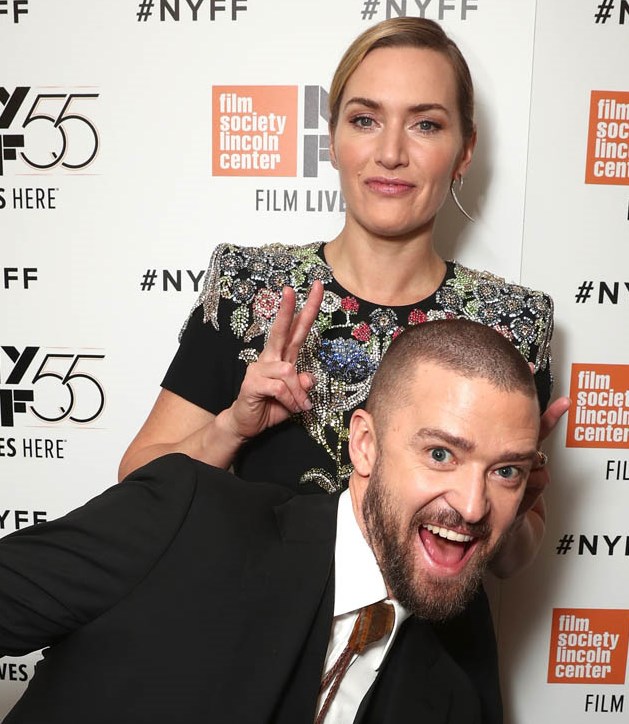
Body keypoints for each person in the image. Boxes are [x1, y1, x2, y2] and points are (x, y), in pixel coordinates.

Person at [117, 15, 568, 719]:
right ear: (331, 138)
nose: (390, 152)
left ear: (464, 151)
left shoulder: (512, 324)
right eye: (365, 119)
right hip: (247, 661)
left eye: (425, 124)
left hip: (428, 682)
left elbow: (512, 561)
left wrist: (507, 507)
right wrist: (230, 429)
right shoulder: (248, 288)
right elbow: (137, 488)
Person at [1, 320, 541, 724]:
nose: (474, 506)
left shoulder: (458, 687)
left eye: (506, 471)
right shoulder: (187, 518)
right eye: (441, 454)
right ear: (365, 445)